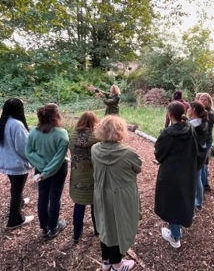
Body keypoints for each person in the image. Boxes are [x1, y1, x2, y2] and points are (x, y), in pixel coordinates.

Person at [91, 115, 141, 271]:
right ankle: (117, 264)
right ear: (121, 130)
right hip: (121, 195)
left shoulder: (94, 149)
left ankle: (106, 261)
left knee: (104, 223)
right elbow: (138, 167)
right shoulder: (128, 153)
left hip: (100, 193)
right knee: (120, 224)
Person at [155, 101, 198, 249]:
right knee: (181, 200)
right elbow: (194, 150)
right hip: (187, 171)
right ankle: (176, 229)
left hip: (171, 173)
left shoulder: (168, 133)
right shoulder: (190, 128)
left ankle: (175, 237)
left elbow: (159, 155)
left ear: (170, 114)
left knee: (172, 203)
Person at [0, 98, 34, 229]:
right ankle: (15, 219)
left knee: (15, 187)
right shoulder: (17, 125)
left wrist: (3, 154)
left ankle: (19, 202)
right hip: (18, 165)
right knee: (16, 190)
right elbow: (24, 148)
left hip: (5, 163)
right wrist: (35, 161)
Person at [25, 103, 69, 239]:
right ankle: (53, 227)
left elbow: (28, 152)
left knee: (43, 197)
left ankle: (44, 228)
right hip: (57, 170)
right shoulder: (62, 133)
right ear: (57, 115)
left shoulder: (34, 131)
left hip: (40, 169)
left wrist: (43, 169)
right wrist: (47, 170)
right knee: (54, 198)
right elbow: (58, 158)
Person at [69, 111, 100, 244]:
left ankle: (76, 234)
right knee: (95, 206)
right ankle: (97, 230)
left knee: (79, 205)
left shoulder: (72, 136)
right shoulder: (97, 137)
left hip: (77, 176)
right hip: (93, 177)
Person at [188, 101, 208, 211]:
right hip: (201, 154)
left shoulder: (194, 126)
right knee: (198, 178)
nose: (187, 109)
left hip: (196, 155)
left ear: (193, 110)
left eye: (189, 108)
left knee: (195, 179)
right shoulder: (202, 122)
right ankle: (198, 202)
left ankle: (197, 203)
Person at [199, 92, 214, 192]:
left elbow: (205, 130)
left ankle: (204, 185)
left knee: (202, 164)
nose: (203, 101)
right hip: (201, 141)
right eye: (202, 99)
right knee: (202, 164)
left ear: (209, 102)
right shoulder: (199, 111)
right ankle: (204, 184)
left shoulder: (210, 114)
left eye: (205, 100)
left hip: (205, 142)